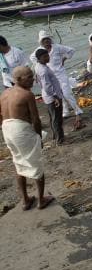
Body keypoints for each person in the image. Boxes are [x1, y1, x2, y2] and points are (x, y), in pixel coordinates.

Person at [0, 66, 54, 210]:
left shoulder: (4, 93)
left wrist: (6, 130)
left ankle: (25, 200)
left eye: (32, 75)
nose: (33, 79)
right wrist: (39, 139)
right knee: (36, 163)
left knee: (18, 163)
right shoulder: (27, 94)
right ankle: (41, 200)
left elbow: (0, 116)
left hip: (7, 129)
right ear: (18, 79)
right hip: (20, 129)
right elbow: (36, 120)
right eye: (29, 77)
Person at [30, 31, 83, 120]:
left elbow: (71, 50)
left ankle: (78, 111)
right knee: (58, 94)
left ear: (50, 39)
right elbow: (32, 57)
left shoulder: (57, 47)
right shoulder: (39, 50)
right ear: (41, 41)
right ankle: (65, 111)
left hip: (60, 74)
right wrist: (38, 67)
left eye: (47, 39)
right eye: (44, 39)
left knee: (67, 93)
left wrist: (64, 58)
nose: (46, 41)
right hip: (50, 76)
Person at [33, 48, 64, 145]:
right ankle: (59, 139)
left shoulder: (38, 66)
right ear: (39, 59)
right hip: (52, 97)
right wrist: (55, 97)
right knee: (57, 118)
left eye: (47, 55)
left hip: (48, 96)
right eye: (45, 57)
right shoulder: (43, 70)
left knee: (53, 117)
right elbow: (47, 86)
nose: (47, 58)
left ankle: (56, 136)